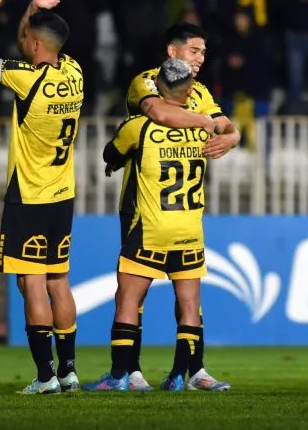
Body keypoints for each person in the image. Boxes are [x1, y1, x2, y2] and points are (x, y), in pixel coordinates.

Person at [0, 0, 82, 394]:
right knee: (57, 281)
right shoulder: (73, 72)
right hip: (62, 194)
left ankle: (45, 377)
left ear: (34, 46)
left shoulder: (27, 79)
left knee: (31, 282)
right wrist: (34, 8)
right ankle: (68, 372)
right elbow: (33, 42)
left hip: (29, 196)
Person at [85, 58, 235, 392]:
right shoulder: (203, 129)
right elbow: (226, 131)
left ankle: (119, 375)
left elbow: (111, 154)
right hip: (189, 230)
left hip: (150, 228)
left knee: (128, 300)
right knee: (189, 305)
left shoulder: (138, 126)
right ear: (190, 91)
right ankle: (179, 376)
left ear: (157, 88)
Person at [121, 22, 239, 391]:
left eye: (203, 52)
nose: (201, 58)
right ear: (172, 51)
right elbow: (161, 113)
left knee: (184, 293)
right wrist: (206, 123)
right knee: (135, 293)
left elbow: (226, 125)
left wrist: (232, 137)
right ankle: (131, 371)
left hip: (181, 214)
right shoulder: (146, 82)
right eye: (194, 51)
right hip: (141, 205)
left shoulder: (199, 91)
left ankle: (191, 370)